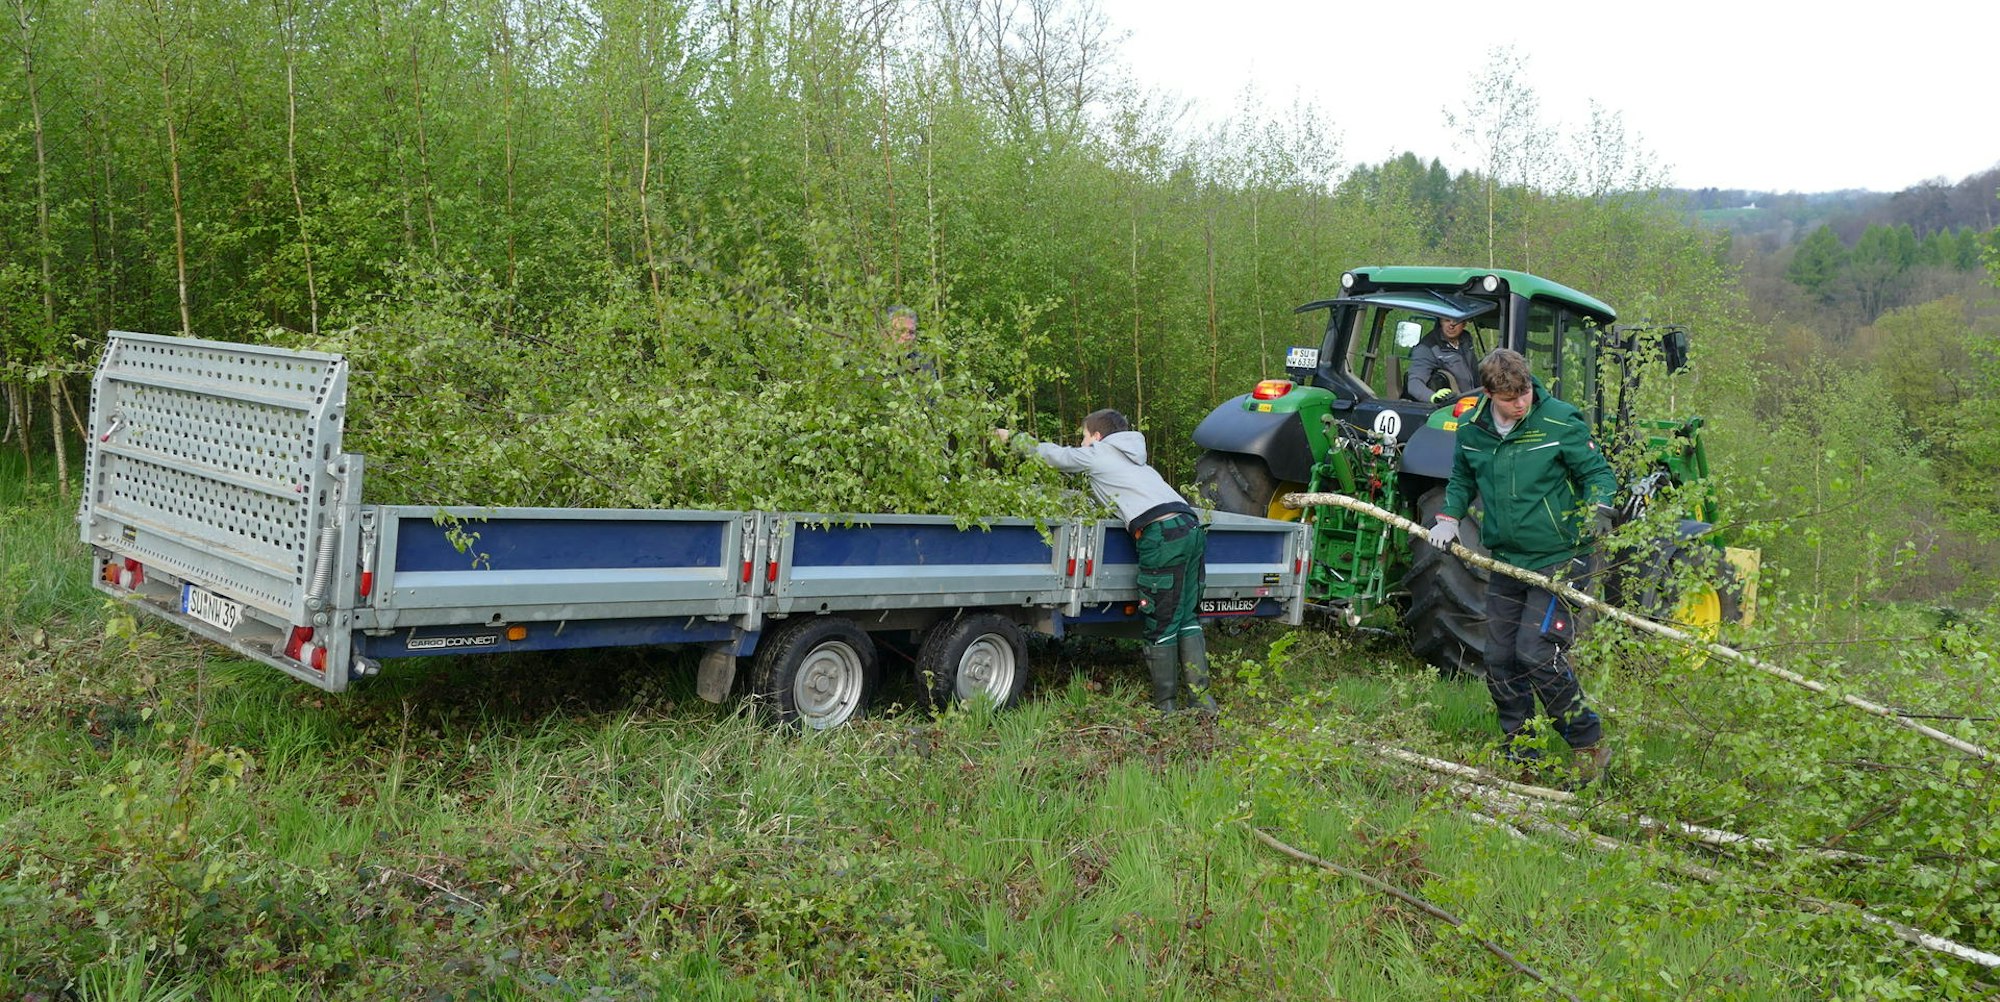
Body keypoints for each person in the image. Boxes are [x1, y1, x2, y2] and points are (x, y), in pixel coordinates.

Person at [1428, 349, 1619, 783]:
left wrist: (1599, 508)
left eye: (1526, 392)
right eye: (1511, 398)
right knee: (1498, 656)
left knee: (1535, 653)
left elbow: (1598, 475)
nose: (1522, 403)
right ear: (1491, 394)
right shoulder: (1473, 429)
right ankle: (1523, 753)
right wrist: (1448, 517)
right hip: (1508, 560)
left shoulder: (1558, 421)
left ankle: (1588, 745)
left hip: (1562, 555)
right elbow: (1461, 479)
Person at [995, 410, 1215, 714]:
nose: (1081, 442)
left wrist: (1013, 440)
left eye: (1083, 435)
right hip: (1191, 528)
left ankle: (1166, 709)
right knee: (1187, 619)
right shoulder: (1138, 460)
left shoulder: (1099, 452)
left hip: (1162, 536)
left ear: (1096, 436)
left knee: (1161, 621)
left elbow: (1056, 456)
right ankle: (1203, 703)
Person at [1405, 316, 1480, 403]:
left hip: (1475, 399)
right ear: (1440, 321)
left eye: (1456, 320)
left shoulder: (1466, 338)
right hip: (1452, 408)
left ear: (1464, 323)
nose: (1451, 325)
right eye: (1447, 320)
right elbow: (1414, 384)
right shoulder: (1427, 348)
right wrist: (1433, 397)